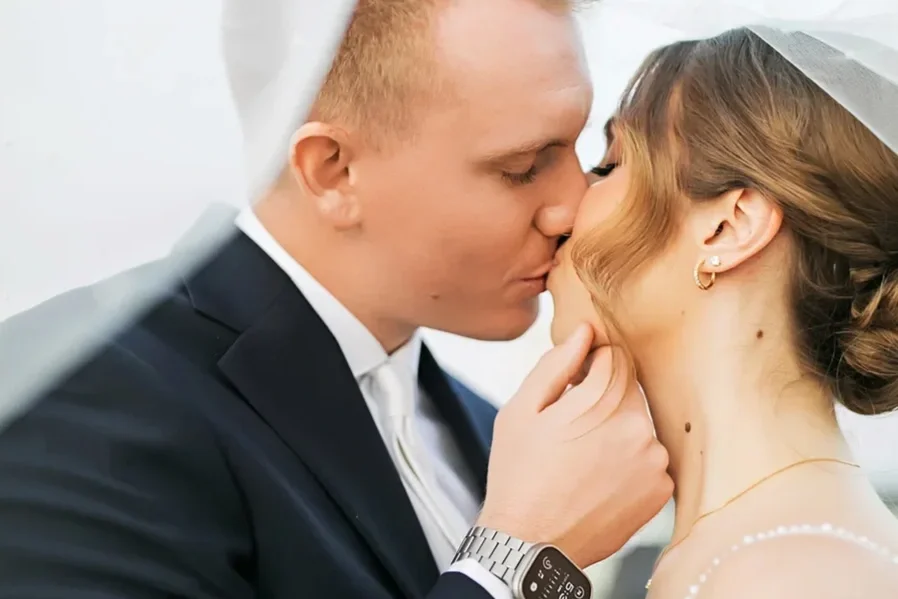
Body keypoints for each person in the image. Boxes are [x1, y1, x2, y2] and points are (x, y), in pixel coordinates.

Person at [0, 1, 672, 598]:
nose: (573, 205)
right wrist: (519, 561)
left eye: (578, 149)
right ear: (333, 171)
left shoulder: (496, 432)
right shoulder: (72, 396)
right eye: (523, 165)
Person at [548, 27, 898, 599]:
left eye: (611, 166)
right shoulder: (752, 551)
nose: (567, 206)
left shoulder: (803, 579)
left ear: (729, 227)